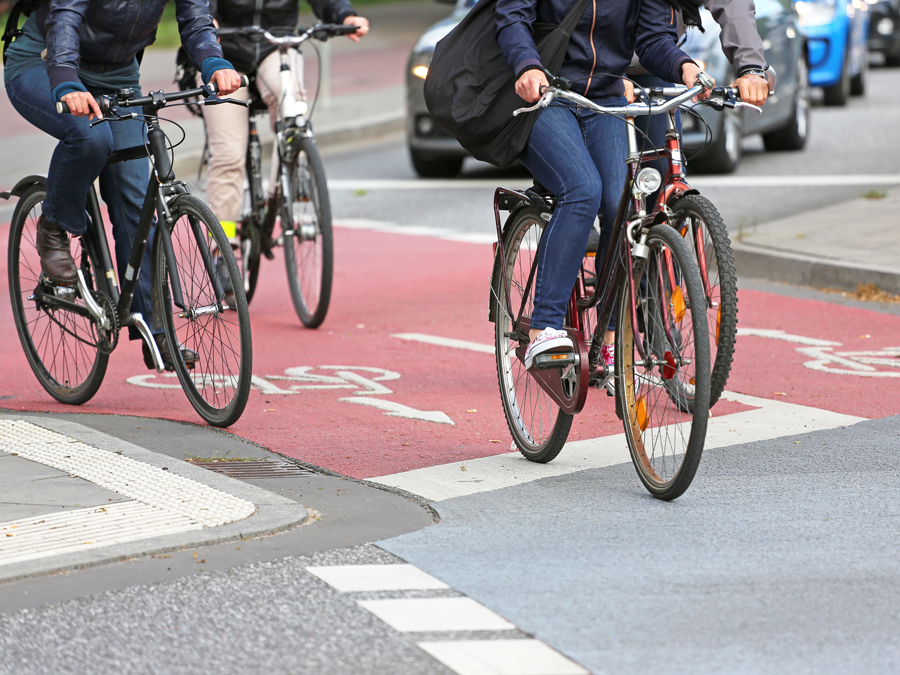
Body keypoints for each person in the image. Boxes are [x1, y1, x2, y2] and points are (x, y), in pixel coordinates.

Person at [4, 0, 242, 370]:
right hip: (46, 62)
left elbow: (196, 20)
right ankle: (54, 227)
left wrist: (214, 61)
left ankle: (157, 331)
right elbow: (65, 17)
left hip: (117, 77)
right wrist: (65, 78)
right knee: (90, 139)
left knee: (135, 201)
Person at [495, 0, 709, 369]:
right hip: (546, 96)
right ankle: (544, 328)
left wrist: (684, 66)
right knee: (582, 189)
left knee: (621, 204)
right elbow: (512, 15)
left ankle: (610, 339)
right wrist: (527, 65)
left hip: (604, 99)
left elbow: (653, 39)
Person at [202, 0, 369, 265]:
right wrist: (207, 23)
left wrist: (345, 16)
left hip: (276, 46)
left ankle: (285, 182)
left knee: (292, 109)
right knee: (228, 154)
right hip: (223, 52)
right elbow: (199, 7)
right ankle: (222, 246)